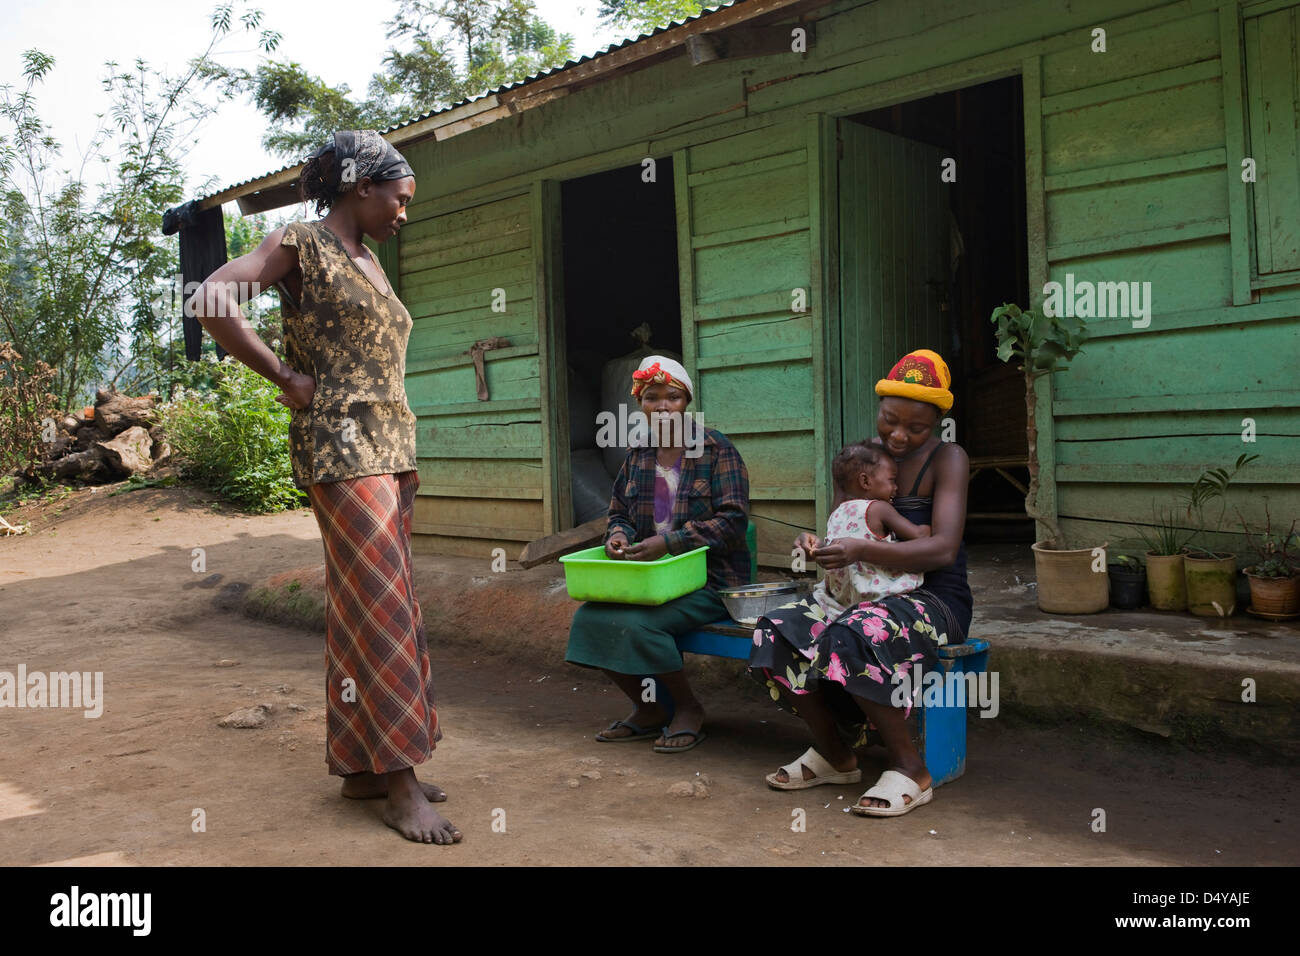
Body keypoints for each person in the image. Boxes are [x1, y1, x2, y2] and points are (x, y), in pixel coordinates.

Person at [188, 130, 461, 845]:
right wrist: (283, 376)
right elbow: (212, 299)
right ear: (359, 187)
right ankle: (401, 784)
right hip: (341, 452)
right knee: (385, 609)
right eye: (398, 199)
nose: (404, 213)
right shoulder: (300, 243)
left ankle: (364, 764)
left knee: (361, 608)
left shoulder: (370, 261)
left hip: (391, 452)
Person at [748, 349, 972, 817]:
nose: (899, 435)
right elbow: (840, 529)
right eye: (890, 420)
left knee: (855, 631)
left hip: (932, 597)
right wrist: (814, 543)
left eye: (917, 428)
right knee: (774, 631)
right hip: (858, 592)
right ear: (880, 408)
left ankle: (912, 768)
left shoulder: (948, 458)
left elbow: (942, 550)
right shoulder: (864, 458)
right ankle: (835, 753)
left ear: (938, 422)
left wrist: (863, 550)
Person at [565, 356, 750, 753]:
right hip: (653, 578)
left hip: (711, 580)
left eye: (672, 397)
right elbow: (619, 514)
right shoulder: (639, 456)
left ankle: (686, 709)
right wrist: (618, 536)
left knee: (642, 625)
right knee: (589, 618)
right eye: (652, 398)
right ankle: (649, 709)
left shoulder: (717, 449)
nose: (663, 406)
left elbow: (733, 522)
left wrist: (670, 543)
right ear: (641, 405)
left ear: (686, 402)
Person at [810, 441, 931, 620]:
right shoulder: (878, 508)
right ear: (865, 481)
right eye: (892, 480)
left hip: (843, 598)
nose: (896, 488)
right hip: (875, 594)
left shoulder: (836, 512)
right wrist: (930, 526)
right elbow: (919, 535)